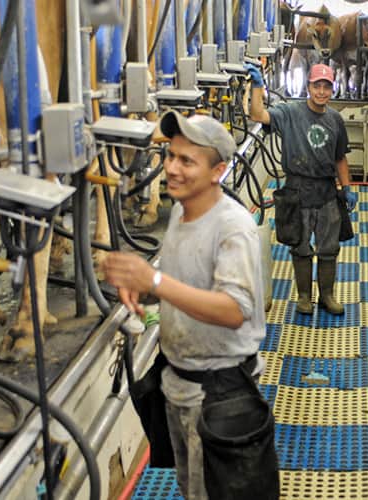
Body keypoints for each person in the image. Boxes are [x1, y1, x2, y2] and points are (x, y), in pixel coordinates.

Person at [103, 111, 269, 499]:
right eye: (170, 156)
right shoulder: (180, 211)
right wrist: (143, 289)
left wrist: (155, 280)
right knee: (191, 488)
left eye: (186, 161)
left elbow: (233, 309)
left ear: (218, 171)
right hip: (178, 382)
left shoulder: (233, 227)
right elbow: (185, 283)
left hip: (219, 393)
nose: (172, 169)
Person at [246, 62, 356, 315]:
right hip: (297, 189)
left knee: (329, 247)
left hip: (327, 191)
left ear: (332, 90)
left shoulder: (335, 120)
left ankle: (327, 295)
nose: (321, 92)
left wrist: (347, 187)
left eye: (326, 87)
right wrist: (257, 87)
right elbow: (257, 115)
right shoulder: (290, 113)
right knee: (301, 245)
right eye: (317, 86)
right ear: (308, 87)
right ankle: (304, 296)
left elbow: (340, 158)